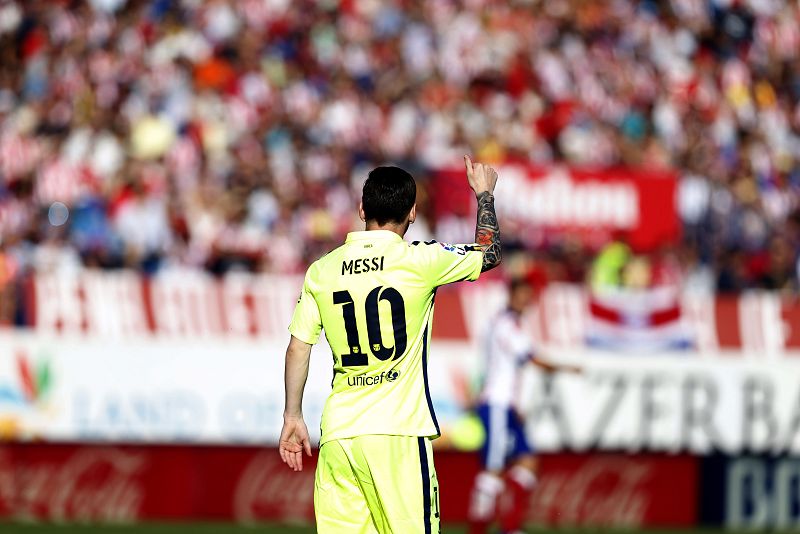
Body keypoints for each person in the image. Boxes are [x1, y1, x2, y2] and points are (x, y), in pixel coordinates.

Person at [279, 156, 502, 533]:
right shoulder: (420, 260)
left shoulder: (323, 269)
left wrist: (292, 416)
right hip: (397, 432)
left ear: (362, 208)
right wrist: (484, 195)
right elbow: (489, 253)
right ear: (413, 213)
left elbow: (298, 347)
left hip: (339, 434)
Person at [467, 278, 581, 534]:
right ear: (511, 295)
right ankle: (478, 529)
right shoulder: (504, 324)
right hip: (496, 403)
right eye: (521, 295)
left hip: (507, 406)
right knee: (493, 470)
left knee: (527, 463)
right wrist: (567, 368)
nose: (526, 300)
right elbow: (529, 358)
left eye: (529, 295)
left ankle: (511, 527)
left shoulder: (510, 323)